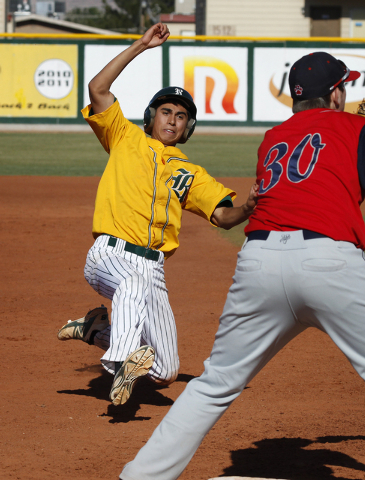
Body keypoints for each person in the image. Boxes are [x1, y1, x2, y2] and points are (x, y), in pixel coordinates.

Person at [119, 51, 365, 480]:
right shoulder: (355, 127)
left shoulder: (272, 137)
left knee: (214, 384)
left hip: (259, 262)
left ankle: (139, 477)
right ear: (337, 94)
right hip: (328, 261)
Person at [57, 22, 258, 407]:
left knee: (165, 370)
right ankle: (118, 365)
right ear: (151, 116)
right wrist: (141, 47)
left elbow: (225, 216)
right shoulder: (124, 136)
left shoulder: (190, 173)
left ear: (188, 128)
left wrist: (249, 206)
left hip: (155, 271)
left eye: (181, 117)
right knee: (130, 284)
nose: (172, 120)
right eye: (166, 111)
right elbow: (97, 89)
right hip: (109, 255)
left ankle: (97, 329)